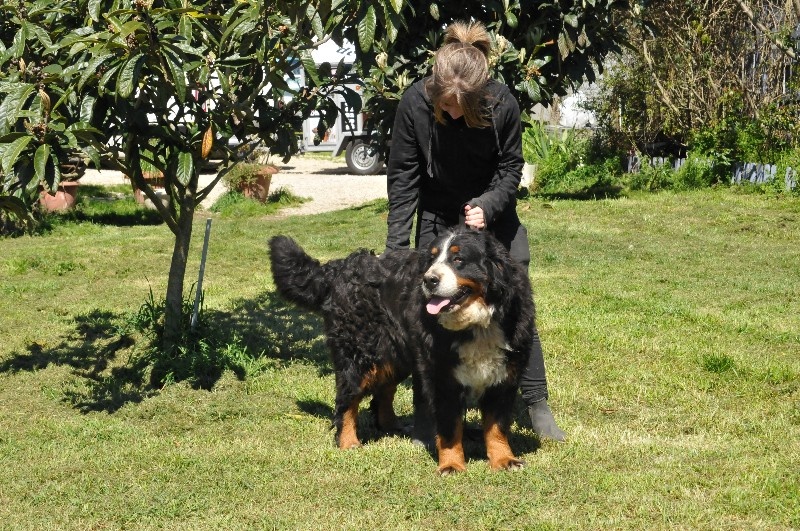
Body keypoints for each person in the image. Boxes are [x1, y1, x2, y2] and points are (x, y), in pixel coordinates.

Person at [385, 20, 566, 442]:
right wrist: (396, 250)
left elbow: (510, 169)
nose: (449, 113)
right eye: (443, 107)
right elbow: (403, 179)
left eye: (458, 109)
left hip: (493, 217)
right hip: (437, 218)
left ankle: (536, 403)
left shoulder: (501, 103)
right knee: (430, 317)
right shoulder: (415, 101)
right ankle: (431, 415)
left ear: (480, 99)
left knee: (516, 308)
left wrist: (487, 205)